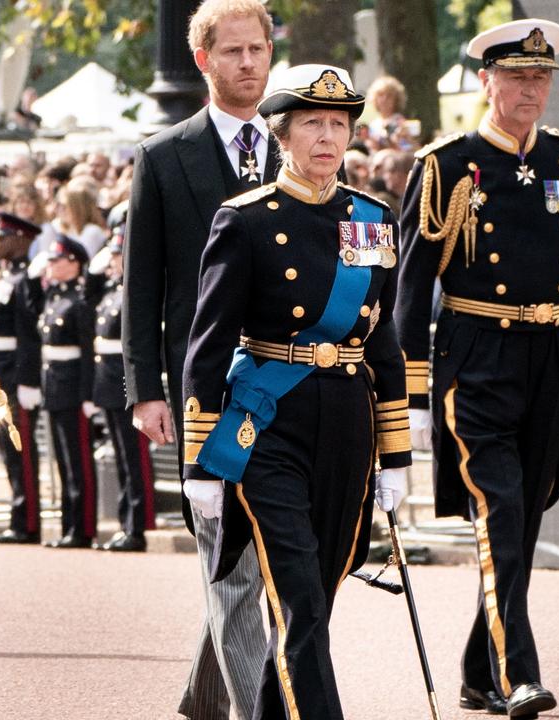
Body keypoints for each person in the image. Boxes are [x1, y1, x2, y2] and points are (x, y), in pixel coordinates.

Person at [184, 64, 410, 720]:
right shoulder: (246, 220)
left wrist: (396, 453)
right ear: (282, 134)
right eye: (312, 122)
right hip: (268, 424)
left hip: (346, 425)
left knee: (314, 609)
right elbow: (209, 339)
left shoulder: (373, 219)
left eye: (339, 124)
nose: (327, 137)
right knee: (300, 604)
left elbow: (384, 341)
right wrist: (201, 459)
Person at [394, 19, 559, 718]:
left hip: (548, 359)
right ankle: (519, 675)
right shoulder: (446, 164)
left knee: (524, 521)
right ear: (486, 79)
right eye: (516, 76)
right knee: (502, 512)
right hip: (475, 358)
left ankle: (478, 673)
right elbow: (410, 287)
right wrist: (413, 396)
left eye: (540, 78)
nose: (530, 90)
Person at [122, 1, 278, 716]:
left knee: (257, 564)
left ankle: (203, 698)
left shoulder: (299, 144)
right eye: (234, 51)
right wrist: (144, 390)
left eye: (258, 49)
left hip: (292, 384)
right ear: (203, 60)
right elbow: (141, 286)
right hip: (203, 393)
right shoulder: (162, 156)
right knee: (233, 564)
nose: (248, 63)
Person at [87, 229, 154, 552]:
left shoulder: (134, 291)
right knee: (123, 458)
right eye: (112, 257)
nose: (113, 262)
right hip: (109, 383)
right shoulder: (112, 291)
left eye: (118, 256)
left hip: (127, 384)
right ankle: (126, 522)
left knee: (134, 458)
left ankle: (136, 525)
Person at [0, 212, 44, 544]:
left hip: (15, 375)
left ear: (18, 240)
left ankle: (28, 522)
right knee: (7, 450)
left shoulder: (25, 280)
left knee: (21, 449)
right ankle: (17, 517)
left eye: (1, 235)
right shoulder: (1, 277)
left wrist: (28, 381)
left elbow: (29, 335)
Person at [35, 235, 97, 547]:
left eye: (57, 260)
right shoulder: (55, 297)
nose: (51, 265)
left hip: (74, 388)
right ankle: (67, 525)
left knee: (78, 461)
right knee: (63, 461)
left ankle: (83, 528)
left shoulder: (80, 301)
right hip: (55, 386)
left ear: (74, 263)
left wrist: (88, 395)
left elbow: (88, 354)